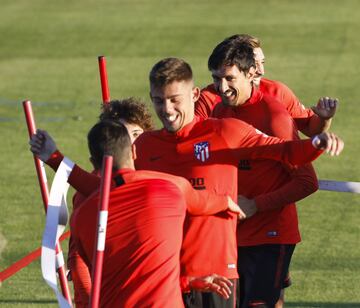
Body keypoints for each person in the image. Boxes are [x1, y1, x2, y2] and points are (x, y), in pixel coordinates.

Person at [133, 57, 343, 308]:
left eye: (174, 99)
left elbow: (285, 151)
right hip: (166, 272)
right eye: (158, 100)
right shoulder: (144, 147)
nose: (166, 109)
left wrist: (316, 144)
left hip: (216, 273)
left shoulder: (226, 132)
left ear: (195, 94)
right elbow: (117, 193)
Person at [31, 120, 243, 307]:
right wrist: (225, 202)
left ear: (93, 162)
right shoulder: (170, 192)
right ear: (133, 152)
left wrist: (54, 158)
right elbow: (200, 202)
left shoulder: (83, 217)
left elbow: (119, 280)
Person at [195, 35, 338, 308]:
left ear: (250, 74)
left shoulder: (274, 116)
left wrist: (256, 205)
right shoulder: (217, 111)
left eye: (228, 79)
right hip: (228, 235)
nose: (220, 87)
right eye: (215, 79)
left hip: (269, 237)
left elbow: (307, 181)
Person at [67, 98, 154, 307]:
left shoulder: (153, 178)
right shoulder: (91, 189)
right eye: (123, 135)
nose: (131, 143)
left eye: (136, 135)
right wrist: (91, 300)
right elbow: (78, 259)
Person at [196, 34, 338, 137]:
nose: (261, 71)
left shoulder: (277, 92)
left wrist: (324, 119)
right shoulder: (208, 99)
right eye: (255, 64)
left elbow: (310, 128)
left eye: (262, 63)